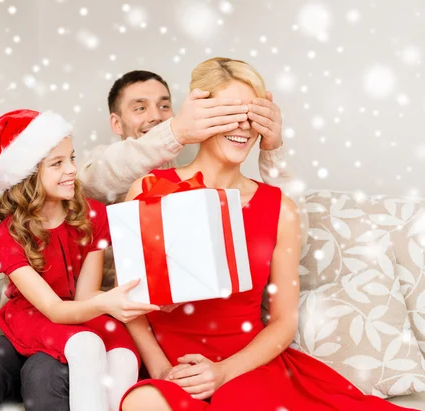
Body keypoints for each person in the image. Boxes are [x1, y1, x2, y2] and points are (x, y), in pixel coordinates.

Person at [0, 70, 306, 411]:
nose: (155, 116)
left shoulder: (186, 174)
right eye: (140, 107)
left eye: (164, 105)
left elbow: (277, 214)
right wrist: (175, 130)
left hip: (107, 319)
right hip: (67, 317)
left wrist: (269, 147)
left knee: (47, 372)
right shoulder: (100, 173)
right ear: (115, 123)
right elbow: (101, 176)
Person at [118, 57, 417, 411]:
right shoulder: (150, 189)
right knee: (140, 403)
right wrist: (162, 367)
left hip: (246, 367)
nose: (243, 126)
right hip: (172, 369)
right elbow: (129, 301)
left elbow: (282, 323)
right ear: (201, 114)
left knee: (236, 402)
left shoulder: (280, 209)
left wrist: (223, 372)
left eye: (252, 114)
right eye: (229, 112)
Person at [0, 109, 160, 411]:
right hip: (34, 316)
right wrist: (105, 304)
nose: (72, 170)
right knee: (85, 345)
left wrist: (118, 299)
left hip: (80, 311)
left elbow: (86, 296)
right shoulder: (7, 235)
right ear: (27, 176)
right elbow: (52, 308)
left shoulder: (92, 215)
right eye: (57, 163)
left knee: (123, 352)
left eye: (72, 158)